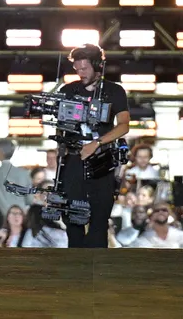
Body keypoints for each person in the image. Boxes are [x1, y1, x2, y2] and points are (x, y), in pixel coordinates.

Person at [55, 44, 130, 248]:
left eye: (84, 68)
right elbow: (59, 127)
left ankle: (98, 269)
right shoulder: (68, 90)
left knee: (99, 219)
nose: (80, 73)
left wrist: (97, 143)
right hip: (73, 159)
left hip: (101, 160)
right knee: (72, 217)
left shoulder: (115, 91)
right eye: (77, 69)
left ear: (97, 66)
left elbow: (124, 125)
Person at [0, 139, 32, 214]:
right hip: (19, 216)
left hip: (0, 216)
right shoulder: (24, 174)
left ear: (0, 152)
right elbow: (29, 200)